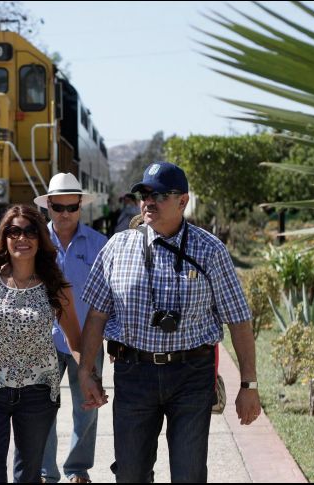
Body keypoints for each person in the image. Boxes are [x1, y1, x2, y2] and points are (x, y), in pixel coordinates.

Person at [77, 161, 261, 483]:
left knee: (189, 475)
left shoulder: (210, 250)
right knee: (131, 474)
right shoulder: (117, 248)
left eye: (159, 195)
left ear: (183, 201)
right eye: (144, 194)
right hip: (134, 374)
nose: (149, 201)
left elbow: (239, 320)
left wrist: (249, 385)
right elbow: (96, 315)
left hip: (191, 376)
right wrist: (86, 372)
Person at [0, 204, 85, 483]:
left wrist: (88, 377)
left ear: (40, 238)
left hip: (37, 395)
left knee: (28, 477)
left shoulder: (56, 286)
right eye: (14, 231)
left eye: (30, 231)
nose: (22, 238)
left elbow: (75, 341)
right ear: (4, 238)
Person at [32, 173, 107, 484]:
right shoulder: (34, 244)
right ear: (48, 206)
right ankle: (47, 472)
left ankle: (77, 469)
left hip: (86, 341)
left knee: (87, 407)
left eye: (71, 207)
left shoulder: (100, 245)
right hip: (41, 341)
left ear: (80, 207)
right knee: (41, 410)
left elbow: (111, 295)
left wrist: (114, 338)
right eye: (58, 207)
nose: (65, 214)